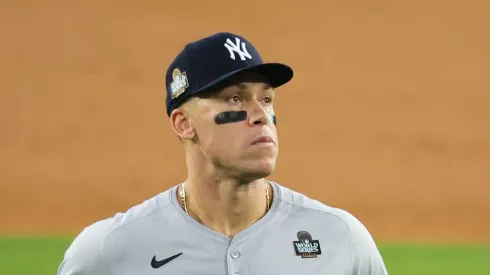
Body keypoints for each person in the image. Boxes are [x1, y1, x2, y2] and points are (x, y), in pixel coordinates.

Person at [57, 32, 389, 275]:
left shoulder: (341, 240)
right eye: (234, 99)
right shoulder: (107, 253)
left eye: (267, 99)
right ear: (184, 123)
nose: (259, 114)